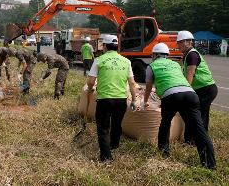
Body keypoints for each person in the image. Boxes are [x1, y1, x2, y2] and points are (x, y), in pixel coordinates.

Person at [143, 43, 216, 169]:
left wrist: (145, 101)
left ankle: (163, 152)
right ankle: (210, 164)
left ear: (154, 55)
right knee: (198, 129)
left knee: (165, 123)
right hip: (190, 94)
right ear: (167, 55)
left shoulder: (151, 66)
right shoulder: (176, 64)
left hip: (171, 96)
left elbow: (148, 86)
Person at [87, 34, 137, 162]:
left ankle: (106, 157)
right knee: (116, 124)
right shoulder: (126, 61)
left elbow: (91, 81)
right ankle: (114, 145)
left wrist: (91, 88)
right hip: (121, 100)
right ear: (117, 46)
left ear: (104, 46)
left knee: (103, 128)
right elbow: (132, 83)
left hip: (105, 99)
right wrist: (135, 100)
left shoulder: (99, 60)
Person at [177, 30, 218, 144]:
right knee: (201, 114)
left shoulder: (192, 55)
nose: (178, 45)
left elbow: (189, 77)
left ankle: (192, 140)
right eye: (178, 43)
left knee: (194, 113)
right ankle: (200, 139)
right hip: (203, 89)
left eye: (180, 42)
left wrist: (182, 93)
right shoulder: (187, 55)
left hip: (206, 89)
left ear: (188, 42)